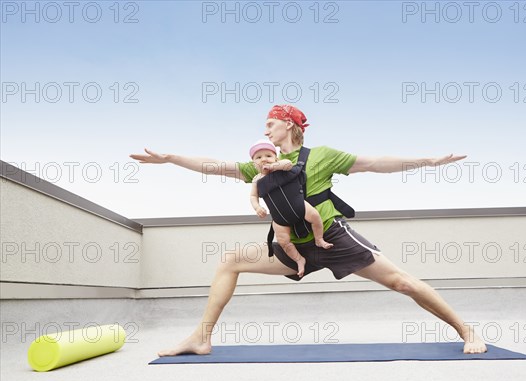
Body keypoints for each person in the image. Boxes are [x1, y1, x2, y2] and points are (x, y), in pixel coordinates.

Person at [129, 104, 488, 355]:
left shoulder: (323, 155)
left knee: (402, 282)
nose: (265, 129)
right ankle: (200, 338)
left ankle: (466, 330)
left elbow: (375, 163)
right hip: (291, 248)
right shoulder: (262, 165)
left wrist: (428, 161)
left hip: (331, 239)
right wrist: (171, 158)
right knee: (229, 261)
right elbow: (215, 167)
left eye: (270, 123)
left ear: (289, 125)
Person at [248, 139, 333, 278]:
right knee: (283, 241)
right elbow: (253, 196)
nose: (264, 159)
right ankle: (299, 259)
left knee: (316, 217)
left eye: (268, 156)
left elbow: (288, 165)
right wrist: (257, 207)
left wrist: (274, 167)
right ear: (254, 163)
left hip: (299, 205)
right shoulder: (257, 180)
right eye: (259, 157)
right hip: (279, 217)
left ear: (275, 157)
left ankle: (319, 239)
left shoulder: (281, 165)